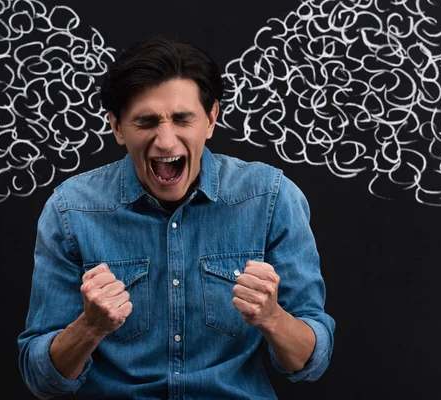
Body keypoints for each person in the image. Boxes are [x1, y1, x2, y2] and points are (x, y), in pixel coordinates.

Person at [18, 37, 335, 400]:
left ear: (211, 119)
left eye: (182, 119)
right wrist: (90, 326)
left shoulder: (271, 198)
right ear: (118, 127)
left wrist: (272, 317)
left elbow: (311, 361)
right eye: (146, 121)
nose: (166, 142)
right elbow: (40, 377)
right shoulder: (70, 209)